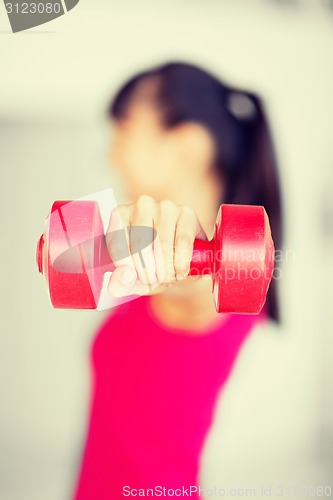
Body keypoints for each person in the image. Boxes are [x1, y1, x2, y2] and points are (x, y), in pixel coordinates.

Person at [73, 61, 282, 499]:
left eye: (123, 131)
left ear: (187, 145)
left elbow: (194, 295)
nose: (111, 154)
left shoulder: (216, 281)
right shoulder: (158, 267)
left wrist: (178, 257)